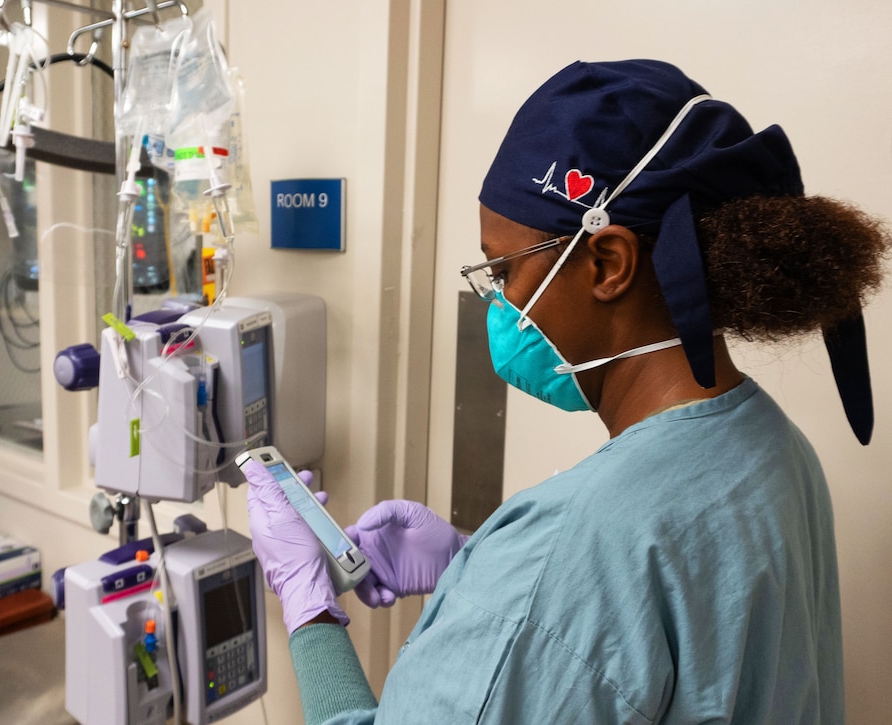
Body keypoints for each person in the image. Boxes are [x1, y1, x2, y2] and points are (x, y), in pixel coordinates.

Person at [242, 59, 890, 724]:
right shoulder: (777, 451)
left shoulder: (573, 549)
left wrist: (309, 601)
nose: (498, 303)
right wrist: (476, 565)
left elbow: (589, 597)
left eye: (503, 269)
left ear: (607, 264)